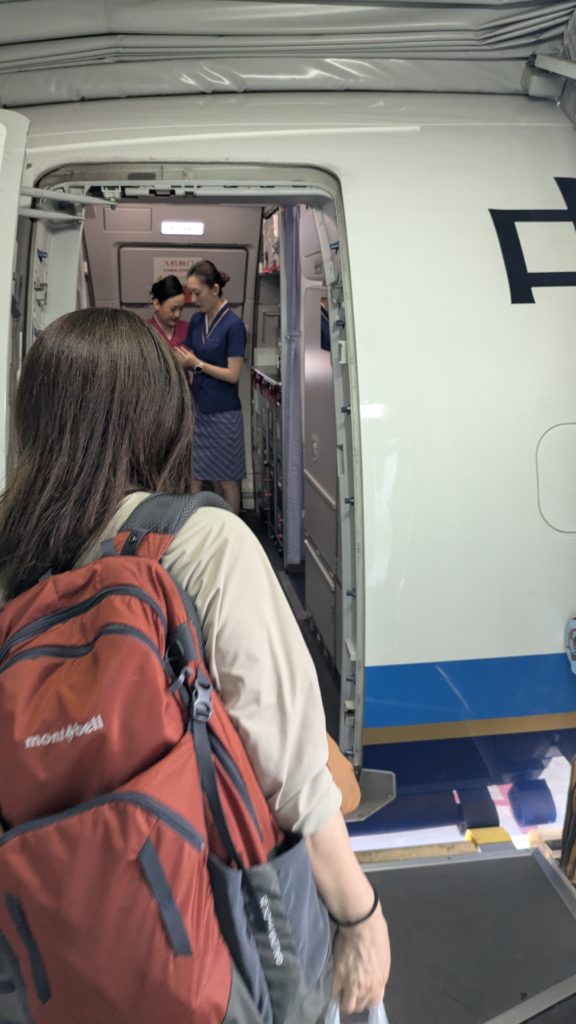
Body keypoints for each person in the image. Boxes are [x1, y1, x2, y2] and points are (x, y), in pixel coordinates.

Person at [0, 308, 390, 1016]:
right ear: (158, 418)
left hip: (49, 950)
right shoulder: (202, 542)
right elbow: (291, 770)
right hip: (211, 937)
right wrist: (359, 916)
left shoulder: (11, 558)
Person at [174, 260, 246, 515]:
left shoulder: (234, 325)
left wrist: (198, 364)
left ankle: (233, 533)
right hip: (199, 409)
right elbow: (186, 352)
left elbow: (233, 375)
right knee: (195, 476)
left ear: (214, 289)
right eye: (190, 293)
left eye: (197, 293)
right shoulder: (197, 321)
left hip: (224, 413)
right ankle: (195, 528)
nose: (193, 300)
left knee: (227, 481)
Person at [148, 274, 188, 348]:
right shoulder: (145, 330)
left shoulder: (188, 328)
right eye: (173, 309)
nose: (177, 314)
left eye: (181, 309)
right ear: (157, 304)